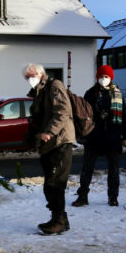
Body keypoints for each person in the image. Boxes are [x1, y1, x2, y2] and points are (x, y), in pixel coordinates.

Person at [24, 63, 75, 234]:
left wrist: (49, 132)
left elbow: (63, 111)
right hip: (49, 143)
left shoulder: (54, 86)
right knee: (51, 183)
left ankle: (58, 221)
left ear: (40, 73)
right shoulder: (40, 91)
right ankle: (61, 218)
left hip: (60, 141)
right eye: (26, 77)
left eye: (31, 76)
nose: (29, 80)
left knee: (55, 183)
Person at [74, 65, 126, 207]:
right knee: (87, 168)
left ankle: (113, 197)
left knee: (114, 169)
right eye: (101, 76)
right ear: (97, 78)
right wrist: (82, 132)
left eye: (106, 77)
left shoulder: (118, 94)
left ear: (111, 78)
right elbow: (83, 114)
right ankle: (82, 196)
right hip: (93, 136)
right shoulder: (90, 93)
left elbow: (125, 116)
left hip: (113, 136)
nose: (103, 79)